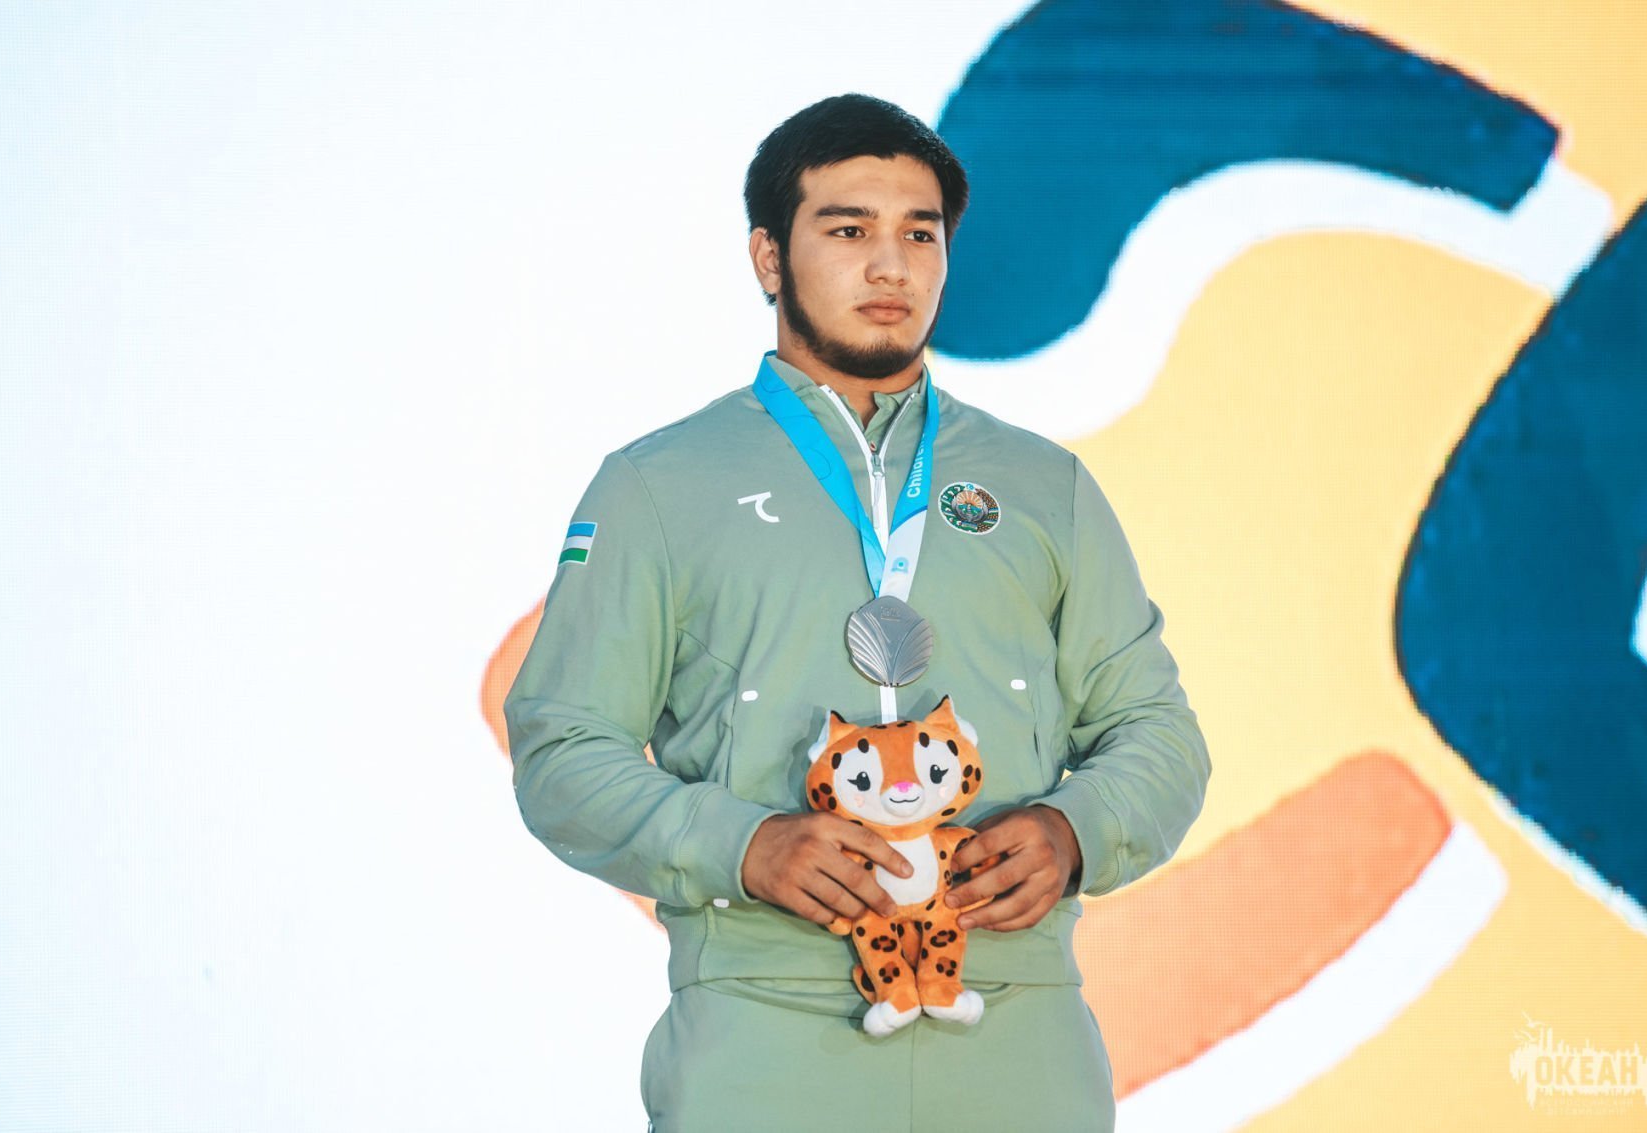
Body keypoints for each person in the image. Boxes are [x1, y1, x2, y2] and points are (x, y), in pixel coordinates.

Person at [504, 93, 1211, 1133]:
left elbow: (1159, 733)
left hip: (1016, 1033)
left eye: (919, 234)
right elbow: (562, 748)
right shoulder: (657, 485)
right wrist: (741, 844)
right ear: (768, 257)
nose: (891, 266)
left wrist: (1076, 828)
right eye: (847, 230)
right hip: (761, 1031)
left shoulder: (1043, 484)